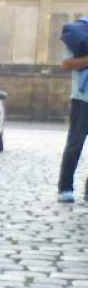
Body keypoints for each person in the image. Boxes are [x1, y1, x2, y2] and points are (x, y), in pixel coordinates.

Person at [57, 15, 88, 201]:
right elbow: (66, 64)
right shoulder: (79, 33)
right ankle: (65, 187)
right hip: (82, 99)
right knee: (75, 144)